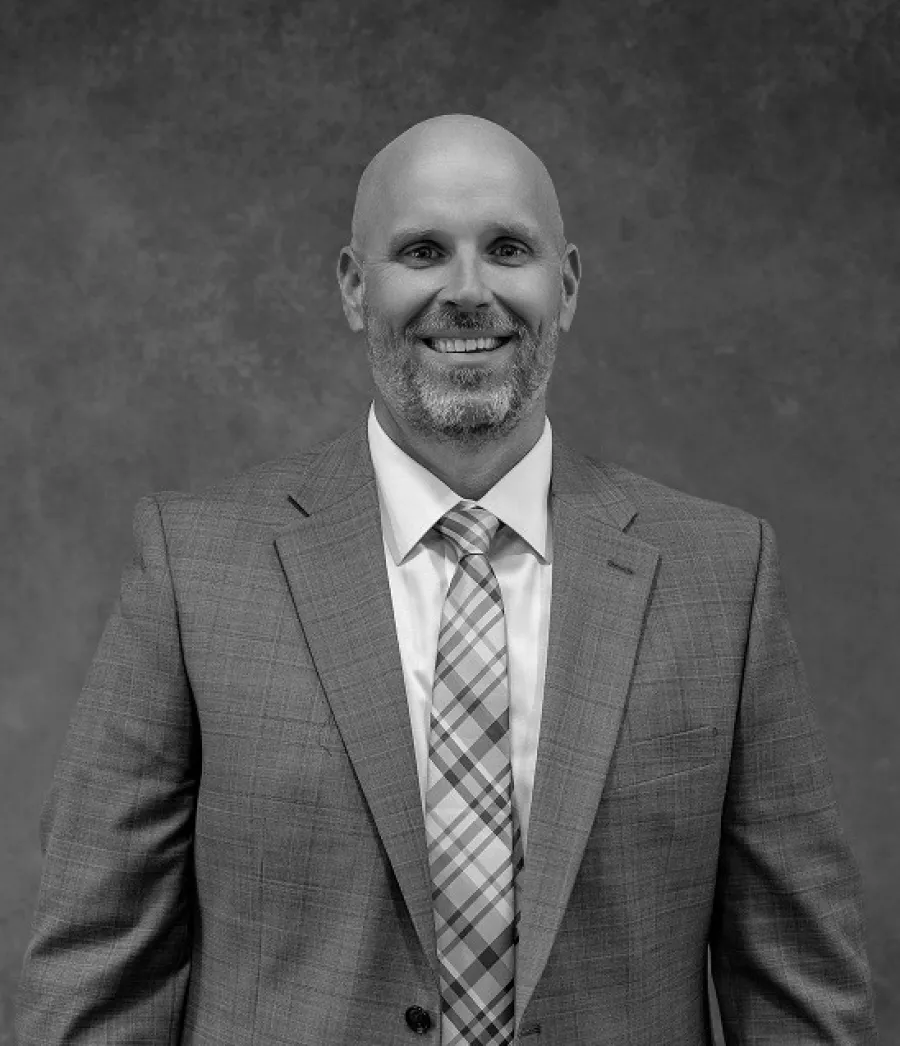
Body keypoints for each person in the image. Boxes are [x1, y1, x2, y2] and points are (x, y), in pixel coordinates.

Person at [16, 113, 877, 1045]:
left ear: (568, 285)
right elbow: (97, 974)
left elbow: (796, 991)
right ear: (355, 287)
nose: (468, 292)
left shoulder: (722, 574)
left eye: (508, 249)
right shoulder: (196, 569)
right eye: (422, 250)